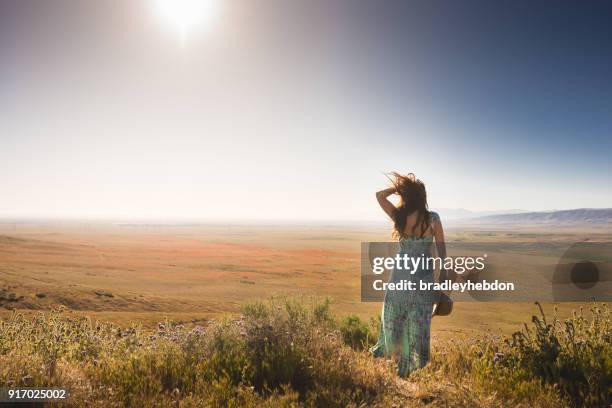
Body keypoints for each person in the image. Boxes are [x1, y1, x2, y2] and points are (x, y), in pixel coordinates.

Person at [370, 172, 447, 377]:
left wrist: (397, 189)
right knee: (419, 323)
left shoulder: (400, 217)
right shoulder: (433, 219)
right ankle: (413, 369)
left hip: (401, 276)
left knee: (393, 318)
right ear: (423, 197)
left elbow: (379, 196)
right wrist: (443, 277)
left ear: (407, 196)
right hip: (424, 276)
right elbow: (441, 250)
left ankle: (393, 363)